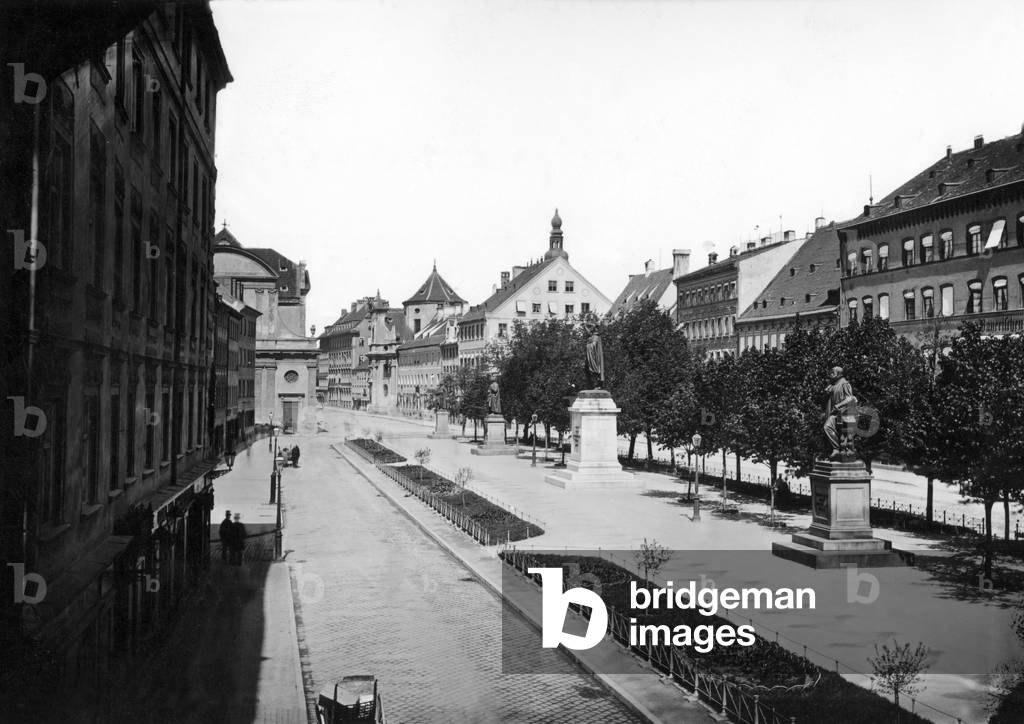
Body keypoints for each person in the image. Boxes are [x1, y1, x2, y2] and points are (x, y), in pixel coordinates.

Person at [823, 366, 857, 460]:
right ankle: (835, 450)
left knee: (827, 427)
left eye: (833, 372)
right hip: (834, 413)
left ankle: (836, 448)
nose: (830, 374)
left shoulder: (844, 383)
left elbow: (850, 398)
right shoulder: (833, 384)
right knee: (828, 428)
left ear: (839, 374)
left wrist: (839, 405)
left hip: (842, 413)